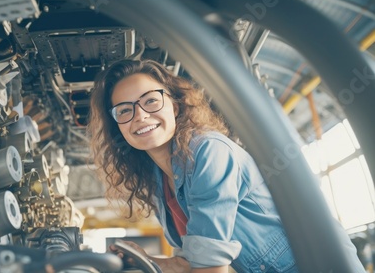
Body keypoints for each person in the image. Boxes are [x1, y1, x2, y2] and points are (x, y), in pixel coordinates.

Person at [87, 59, 363, 273]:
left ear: (175, 104)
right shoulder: (159, 180)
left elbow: (211, 268)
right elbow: (195, 262)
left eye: (150, 100)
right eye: (125, 110)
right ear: (117, 126)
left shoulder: (208, 151)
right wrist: (146, 259)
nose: (141, 115)